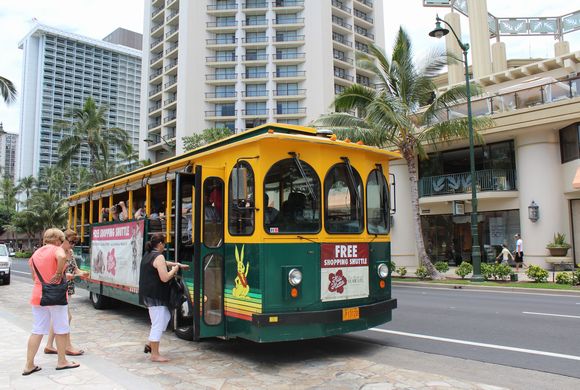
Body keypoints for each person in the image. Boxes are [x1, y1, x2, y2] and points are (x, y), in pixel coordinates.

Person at [23, 228, 80, 375]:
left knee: (37, 330)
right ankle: (62, 361)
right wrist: (59, 273)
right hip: (56, 295)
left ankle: (29, 365)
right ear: (56, 240)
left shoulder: (36, 253)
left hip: (38, 294)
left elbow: (34, 276)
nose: (62, 243)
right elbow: (61, 257)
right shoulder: (56, 249)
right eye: (61, 240)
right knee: (61, 328)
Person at [139, 233, 189, 362]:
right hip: (157, 295)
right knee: (158, 323)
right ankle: (154, 355)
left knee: (165, 317)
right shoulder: (158, 256)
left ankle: (150, 344)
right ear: (160, 244)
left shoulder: (148, 254)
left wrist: (176, 264)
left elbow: (162, 263)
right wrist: (175, 269)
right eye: (164, 243)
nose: (165, 246)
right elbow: (165, 277)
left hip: (149, 293)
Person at [43, 229, 89, 356]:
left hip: (67, 287)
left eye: (75, 242)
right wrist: (63, 275)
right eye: (71, 242)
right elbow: (51, 272)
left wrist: (82, 273)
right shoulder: (57, 252)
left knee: (58, 317)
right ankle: (67, 346)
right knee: (65, 317)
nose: (73, 245)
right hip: (58, 288)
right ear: (63, 240)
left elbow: (75, 269)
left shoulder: (70, 252)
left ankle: (49, 345)